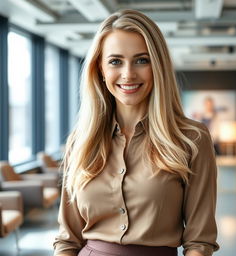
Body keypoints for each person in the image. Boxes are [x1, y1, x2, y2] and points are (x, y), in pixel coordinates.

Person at [53, 9, 219, 256]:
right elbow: (67, 240)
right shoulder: (81, 141)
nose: (128, 74)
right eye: (115, 61)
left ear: (158, 66)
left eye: (142, 60)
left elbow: (199, 242)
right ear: (100, 68)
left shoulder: (192, 139)